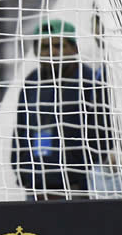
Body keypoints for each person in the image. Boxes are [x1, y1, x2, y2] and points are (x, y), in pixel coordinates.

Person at [11, 19, 112, 200]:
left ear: (74, 49)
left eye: (59, 46)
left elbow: (102, 137)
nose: (51, 52)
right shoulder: (31, 83)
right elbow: (19, 131)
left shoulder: (90, 83)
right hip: (36, 191)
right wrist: (21, 171)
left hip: (77, 190)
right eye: (44, 47)